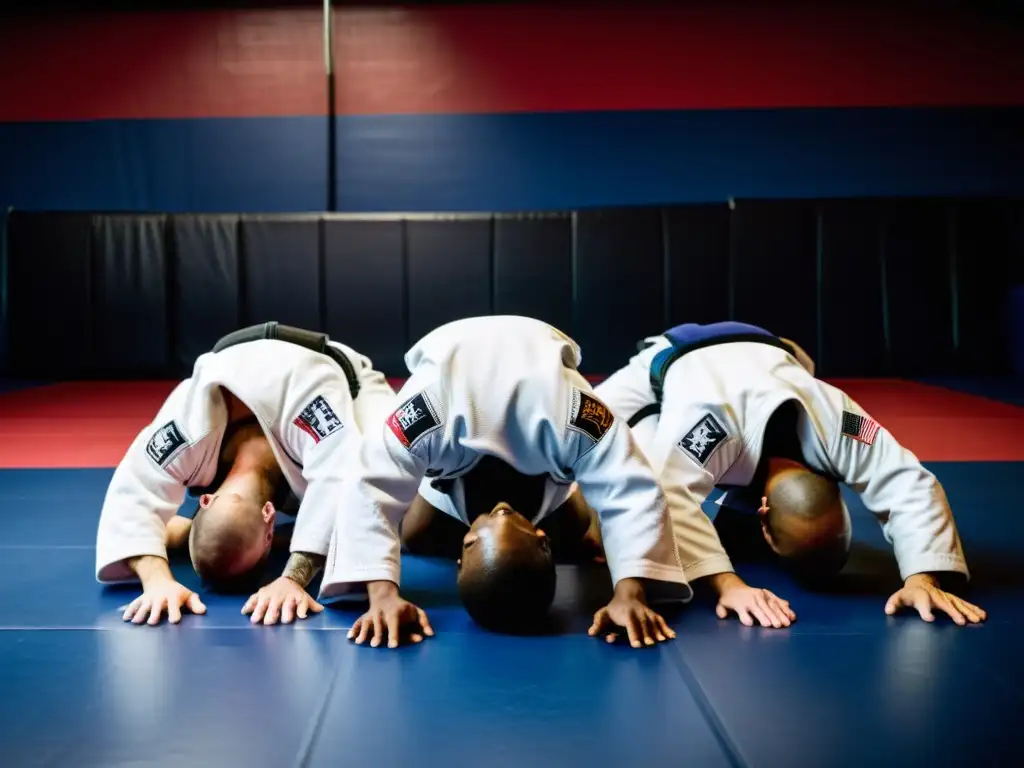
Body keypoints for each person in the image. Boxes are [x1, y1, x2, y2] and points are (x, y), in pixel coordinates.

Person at [318, 316, 690, 649]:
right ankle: (564, 519)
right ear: (541, 539)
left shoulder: (573, 419)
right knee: (417, 532)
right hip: (470, 380)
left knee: (574, 519)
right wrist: (380, 593)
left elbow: (630, 486)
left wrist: (632, 589)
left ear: (462, 552)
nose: (500, 508)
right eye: (510, 519)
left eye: (489, 524)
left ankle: (574, 515)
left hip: (528, 388)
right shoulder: (432, 413)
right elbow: (368, 485)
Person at [587, 321, 986, 628]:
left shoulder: (841, 423)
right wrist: (729, 584)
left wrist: (923, 579)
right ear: (762, 514)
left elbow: (906, 480)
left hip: (779, 356)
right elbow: (666, 491)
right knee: (592, 439)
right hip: (676, 353)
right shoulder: (710, 424)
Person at [95, 323, 397, 627]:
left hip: (343, 378)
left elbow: (341, 477)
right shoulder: (187, 424)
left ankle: (184, 534)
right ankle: (186, 534)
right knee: (362, 513)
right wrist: (156, 582)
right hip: (235, 363)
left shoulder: (192, 429)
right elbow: (131, 490)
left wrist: (292, 579)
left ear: (206, 500)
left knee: (386, 489)